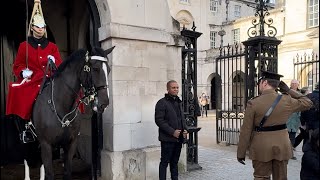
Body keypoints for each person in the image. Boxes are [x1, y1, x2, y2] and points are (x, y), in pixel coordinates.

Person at [237, 70, 313, 180]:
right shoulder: (286, 100)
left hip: (261, 147)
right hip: (282, 145)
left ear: (264, 83)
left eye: (259, 83)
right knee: (281, 177)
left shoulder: (253, 103)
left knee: (261, 177)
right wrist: (289, 90)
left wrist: (241, 153)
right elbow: (308, 102)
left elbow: (246, 130)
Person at [6, 3, 62, 143]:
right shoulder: (24, 46)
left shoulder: (52, 47)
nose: (41, 29)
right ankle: (25, 128)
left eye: (43, 27)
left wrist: (53, 62)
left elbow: (60, 66)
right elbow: (17, 65)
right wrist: (22, 73)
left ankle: (68, 125)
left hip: (49, 78)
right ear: (32, 28)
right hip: (32, 79)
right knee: (18, 92)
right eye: (38, 27)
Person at [155, 80, 188, 180]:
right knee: (164, 162)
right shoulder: (162, 103)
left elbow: (181, 118)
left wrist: (185, 130)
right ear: (168, 89)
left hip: (178, 139)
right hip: (167, 139)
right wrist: (172, 132)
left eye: (177, 87)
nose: (176, 89)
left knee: (175, 162)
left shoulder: (178, 102)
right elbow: (159, 120)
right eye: (173, 88)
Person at [286, 79, 302, 160]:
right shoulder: (286, 93)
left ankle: (291, 153)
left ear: (298, 85)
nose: (294, 85)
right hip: (286, 118)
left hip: (295, 119)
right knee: (285, 137)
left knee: (292, 137)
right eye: (293, 83)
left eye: (295, 84)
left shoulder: (300, 94)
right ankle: (285, 153)